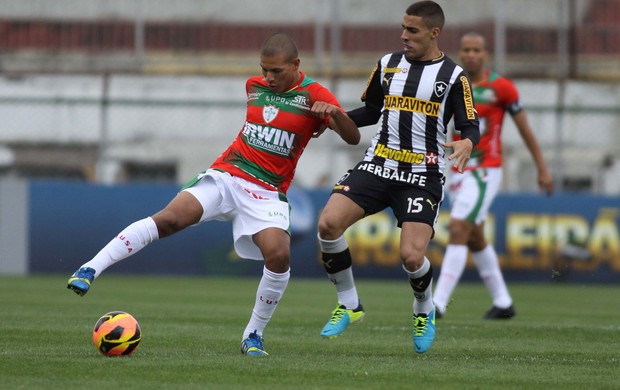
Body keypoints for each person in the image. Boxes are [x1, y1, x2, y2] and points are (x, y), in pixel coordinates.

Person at [67, 32, 360, 357]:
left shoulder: (314, 93)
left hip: (267, 191)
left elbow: (352, 136)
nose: (268, 77)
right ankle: (90, 268)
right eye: (265, 69)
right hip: (227, 175)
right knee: (169, 219)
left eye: (276, 71)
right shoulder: (254, 87)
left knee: (278, 255)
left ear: (296, 65)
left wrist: (333, 114)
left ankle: (253, 335)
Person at [316, 1, 479, 354]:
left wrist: (467, 141)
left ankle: (423, 309)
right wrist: (333, 118)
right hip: (378, 163)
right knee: (328, 224)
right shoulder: (388, 65)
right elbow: (372, 112)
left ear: (434, 33)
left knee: (411, 257)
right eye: (403, 28)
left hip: (422, 173)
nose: (403, 36)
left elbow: (469, 125)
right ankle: (349, 304)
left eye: (413, 30)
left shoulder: (454, 76)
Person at [433, 32, 554, 320]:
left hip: (486, 170)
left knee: (460, 227)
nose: (471, 54)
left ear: (486, 54)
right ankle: (503, 302)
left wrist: (542, 167)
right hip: (458, 170)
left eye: (477, 50)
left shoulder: (501, 88)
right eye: (466, 50)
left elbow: (524, 128)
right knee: (474, 236)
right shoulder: (451, 83)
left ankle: (436, 303)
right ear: (460, 53)